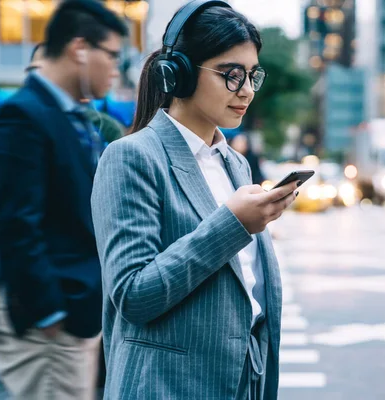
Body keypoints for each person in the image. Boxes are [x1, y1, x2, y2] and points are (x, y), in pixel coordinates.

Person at [90, 1, 298, 399]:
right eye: (232, 75)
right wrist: (233, 225)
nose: (247, 91)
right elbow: (133, 295)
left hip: (241, 382)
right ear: (180, 74)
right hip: (167, 386)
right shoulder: (131, 157)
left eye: (253, 75)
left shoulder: (235, 164)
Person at [0, 1, 127, 399]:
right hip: (50, 321)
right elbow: (16, 222)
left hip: (72, 314)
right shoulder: (23, 115)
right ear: (80, 48)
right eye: (113, 55)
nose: (116, 68)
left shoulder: (69, 115)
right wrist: (51, 311)